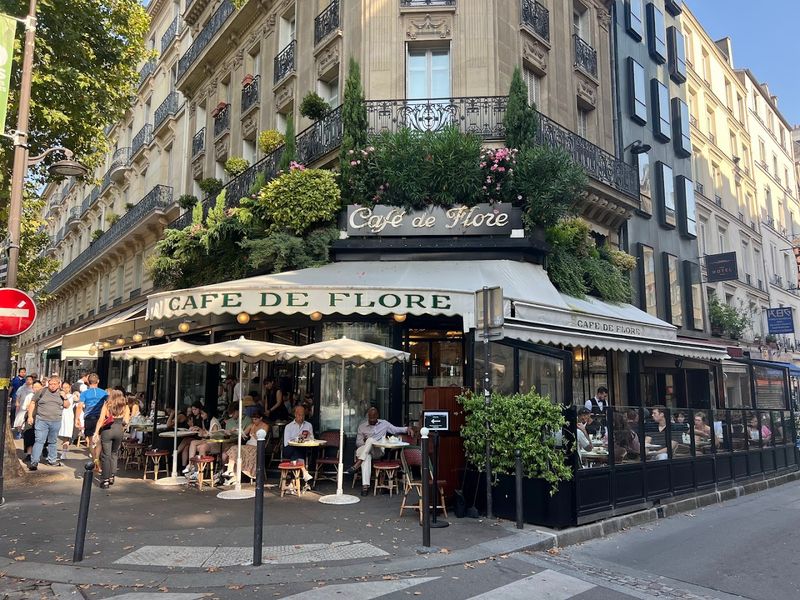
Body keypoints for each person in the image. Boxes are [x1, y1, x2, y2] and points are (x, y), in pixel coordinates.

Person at [346, 407, 412, 497]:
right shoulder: (362, 426)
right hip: (363, 449)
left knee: (370, 440)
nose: (372, 419)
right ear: (368, 416)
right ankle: (365, 486)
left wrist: (407, 428)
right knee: (367, 453)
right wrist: (364, 442)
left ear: (377, 416)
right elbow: (358, 443)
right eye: (370, 417)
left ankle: (358, 464)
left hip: (377, 451)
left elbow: (395, 429)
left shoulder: (384, 424)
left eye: (374, 417)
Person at [27, 375, 70, 470]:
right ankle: (34, 462)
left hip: (56, 421)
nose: (52, 386)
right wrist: (30, 416)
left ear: (59, 384)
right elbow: (33, 402)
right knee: (39, 440)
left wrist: (65, 397)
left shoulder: (61, 393)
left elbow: (67, 406)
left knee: (53, 441)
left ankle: (52, 460)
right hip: (42, 420)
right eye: (50, 384)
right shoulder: (42, 391)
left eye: (55, 384)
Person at [222, 408, 271, 485]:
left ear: (261, 418)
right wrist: (237, 431)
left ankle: (233, 474)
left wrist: (254, 435)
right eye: (253, 419)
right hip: (248, 445)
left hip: (257, 447)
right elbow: (243, 433)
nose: (254, 421)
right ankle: (230, 470)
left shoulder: (265, 426)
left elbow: (261, 438)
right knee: (234, 448)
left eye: (256, 419)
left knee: (237, 449)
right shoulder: (252, 425)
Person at [93, 388, 130, 489]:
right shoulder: (125, 406)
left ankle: (105, 479)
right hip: (119, 430)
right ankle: (112, 476)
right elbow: (126, 421)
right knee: (114, 453)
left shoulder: (107, 404)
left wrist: (96, 432)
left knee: (106, 455)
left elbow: (101, 419)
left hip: (108, 430)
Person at [80, 374, 109, 471]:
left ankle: (95, 460)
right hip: (100, 419)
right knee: (99, 441)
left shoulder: (84, 393)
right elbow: (108, 406)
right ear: (98, 381)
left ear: (88, 381)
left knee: (91, 442)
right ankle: (97, 461)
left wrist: (77, 419)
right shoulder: (104, 393)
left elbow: (80, 406)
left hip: (88, 418)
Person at [282, 405, 315, 487]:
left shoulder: (308, 425)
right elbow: (286, 442)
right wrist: (298, 439)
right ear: (295, 415)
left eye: (303, 415)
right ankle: (304, 472)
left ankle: (293, 482)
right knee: (296, 450)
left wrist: (309, 436)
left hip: (302, 449)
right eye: (300, 414)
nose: (302, 417)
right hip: (288, 449)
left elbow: (312, 439)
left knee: (298, 454)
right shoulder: (288, 426)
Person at [20, 380, 42, 462]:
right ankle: (29, 454)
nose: (36, 389)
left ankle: (38, 454)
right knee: (28, 435)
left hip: (41, 418)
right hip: (30, 418)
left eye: (38, 387)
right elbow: (24, 407)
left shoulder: (43, 396)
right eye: (34, 387)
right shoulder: (30, 396)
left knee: (39, 437)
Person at [57, 382, 78, 462]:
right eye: (63, 387)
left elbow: (77, 400)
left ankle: (64, 453)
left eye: (67, 387)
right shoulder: (59, 396)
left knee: (66, 436)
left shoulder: (72, 396)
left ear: (70, 388)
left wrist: (77, 394)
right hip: (59, 416)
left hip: (68, 417)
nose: (65, 389)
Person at [9, 367, 27, 434]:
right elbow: (11, 387)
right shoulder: (15, 379)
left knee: (21, 411)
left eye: (24, 372)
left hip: (23, 398)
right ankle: (12, 424)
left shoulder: (25, 380)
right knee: (13, 410)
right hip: (15, 397)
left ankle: (19, 425)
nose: (23, 373)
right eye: (22, 372)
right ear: (19, 373)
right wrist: (8, 395)